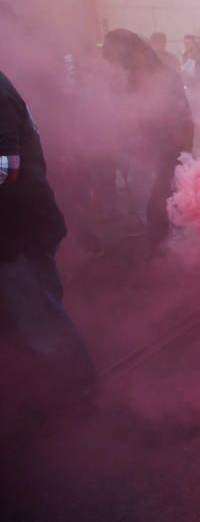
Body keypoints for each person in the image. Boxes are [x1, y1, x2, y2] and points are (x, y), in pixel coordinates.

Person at [0, 70, 96, 422]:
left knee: (39, 317)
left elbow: (5, 168)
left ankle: (78, 396)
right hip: (21, 227)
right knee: (32, 313)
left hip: (18, 231)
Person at [102, 29, 194, 254]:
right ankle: (164, 247)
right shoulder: (126, 79)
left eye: (115, 59)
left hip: (168, 149)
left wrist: (178, 153)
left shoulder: (163, 77)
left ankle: (173, 251)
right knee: (152, 197)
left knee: (165, 200)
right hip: (146, 150)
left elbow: (182, 119)